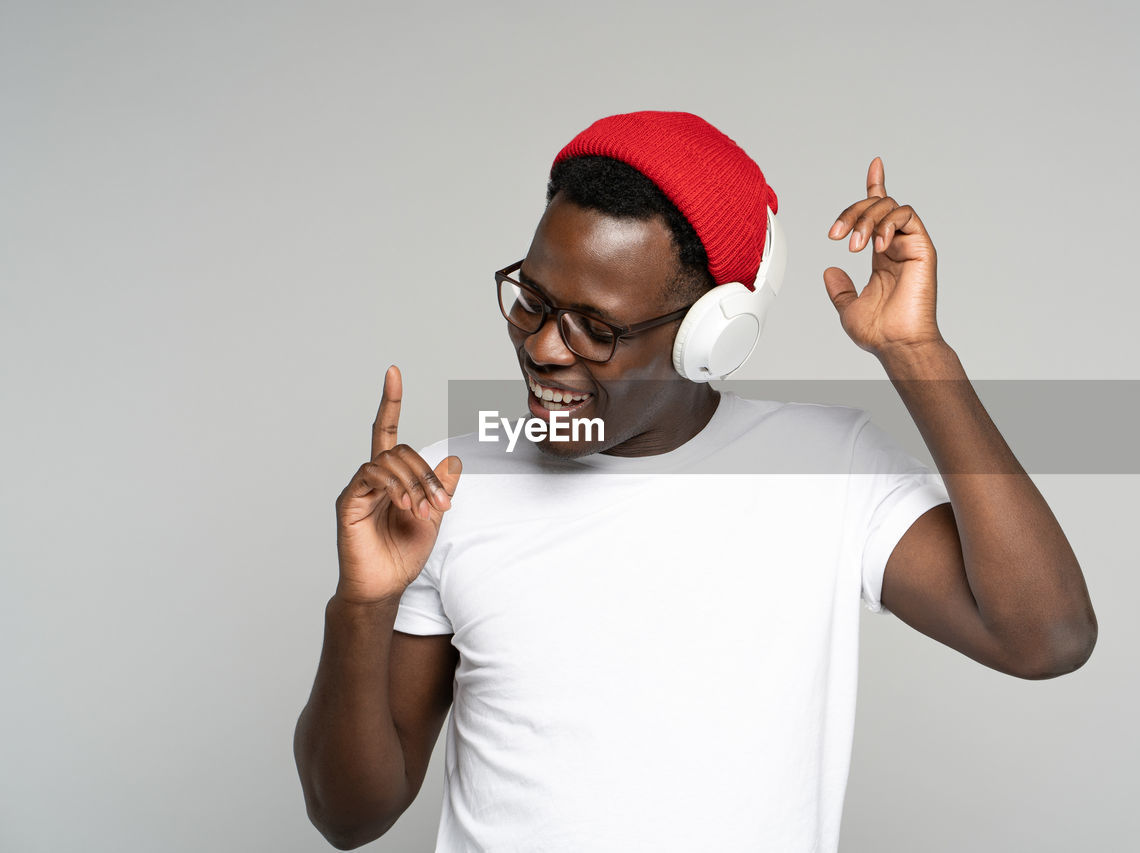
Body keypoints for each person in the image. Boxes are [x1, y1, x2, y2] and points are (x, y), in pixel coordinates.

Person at [293, 111, 1097, 852]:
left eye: (596, 327)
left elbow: (1046, 638)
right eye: (531, 301)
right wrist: (361, 605)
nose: (543, 348)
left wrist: (917, 355)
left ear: (711, 338)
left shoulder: (827, 468)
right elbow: (349, 815)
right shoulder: (447, 491)